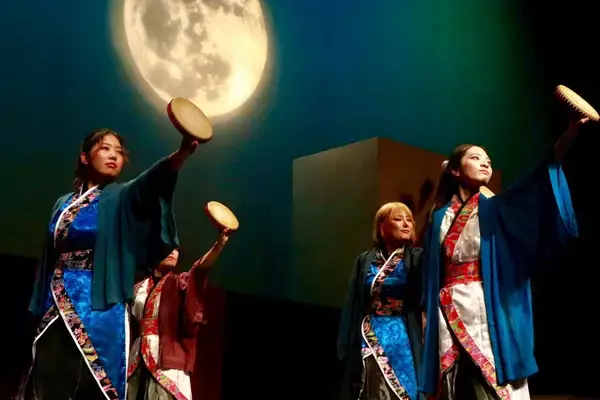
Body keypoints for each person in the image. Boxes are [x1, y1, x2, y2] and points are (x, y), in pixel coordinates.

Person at [21, 128, 200, 400]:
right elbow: (50, 255)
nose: (114, 156)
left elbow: (151, 181)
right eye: (105, 148)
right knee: (47, 382)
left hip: (100, 306)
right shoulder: (63, 203)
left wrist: (182, 153)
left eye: (119, 152)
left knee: (91, 387)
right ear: (85, 157)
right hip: (54, 304)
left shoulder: (120, 197)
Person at [419, 117, 589, 400]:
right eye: (476, 158)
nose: (486, 163)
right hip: (446, 308)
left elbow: (537, 180)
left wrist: (567, 137)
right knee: (455, 386)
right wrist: (426, 316)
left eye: (488, 160)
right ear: (455, 171)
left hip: (485, 305)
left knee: (491, 383)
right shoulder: (438, 218)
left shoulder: (495, 209)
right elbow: (430, 272)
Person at [127, 228, 231, 400]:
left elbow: (199, 270)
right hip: (137, 356)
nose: (172, 253)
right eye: (167, 249)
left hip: (167, 358)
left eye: (175, 250)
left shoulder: (179, 282)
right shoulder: (138, 288)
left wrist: (218, 245)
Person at [338, 202, 426, 400]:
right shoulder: (365, 260)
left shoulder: (417, 258)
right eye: (398, 219)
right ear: (382, 226)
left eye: (410, 220)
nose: (406, 224)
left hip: (404, 335)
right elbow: (353, 304)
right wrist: (345, 346)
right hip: (371, 333)